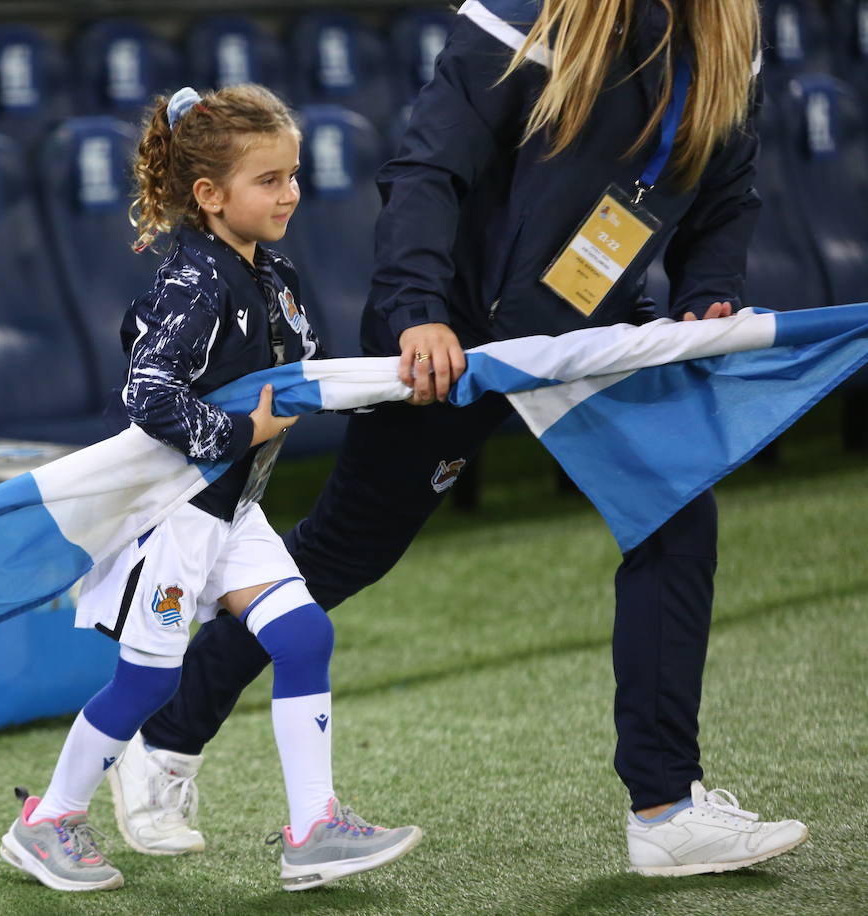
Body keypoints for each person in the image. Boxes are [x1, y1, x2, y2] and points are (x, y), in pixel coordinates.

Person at [109, 0, 810, 878]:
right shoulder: (526, 17)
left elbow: (724, 191)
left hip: (593, 337)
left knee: (675, 517)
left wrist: (709, 290)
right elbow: (426, 169)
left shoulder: (727, 40)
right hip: (458, 337)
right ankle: (165, 742)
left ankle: (666, 810)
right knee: (340, 552)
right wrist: (418, 313)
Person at [0, 84, 422, 893]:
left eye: (294, 175)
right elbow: (148, 394)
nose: (291, 193)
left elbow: (300, 364)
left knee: (302, 639)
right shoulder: (192, 283)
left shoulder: (272, 269)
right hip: (175, 519)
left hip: (234, 510)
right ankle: (48, 819)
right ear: (209, 195)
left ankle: (313, 830)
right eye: (270, 180)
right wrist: (242, 433)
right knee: (148, 682)